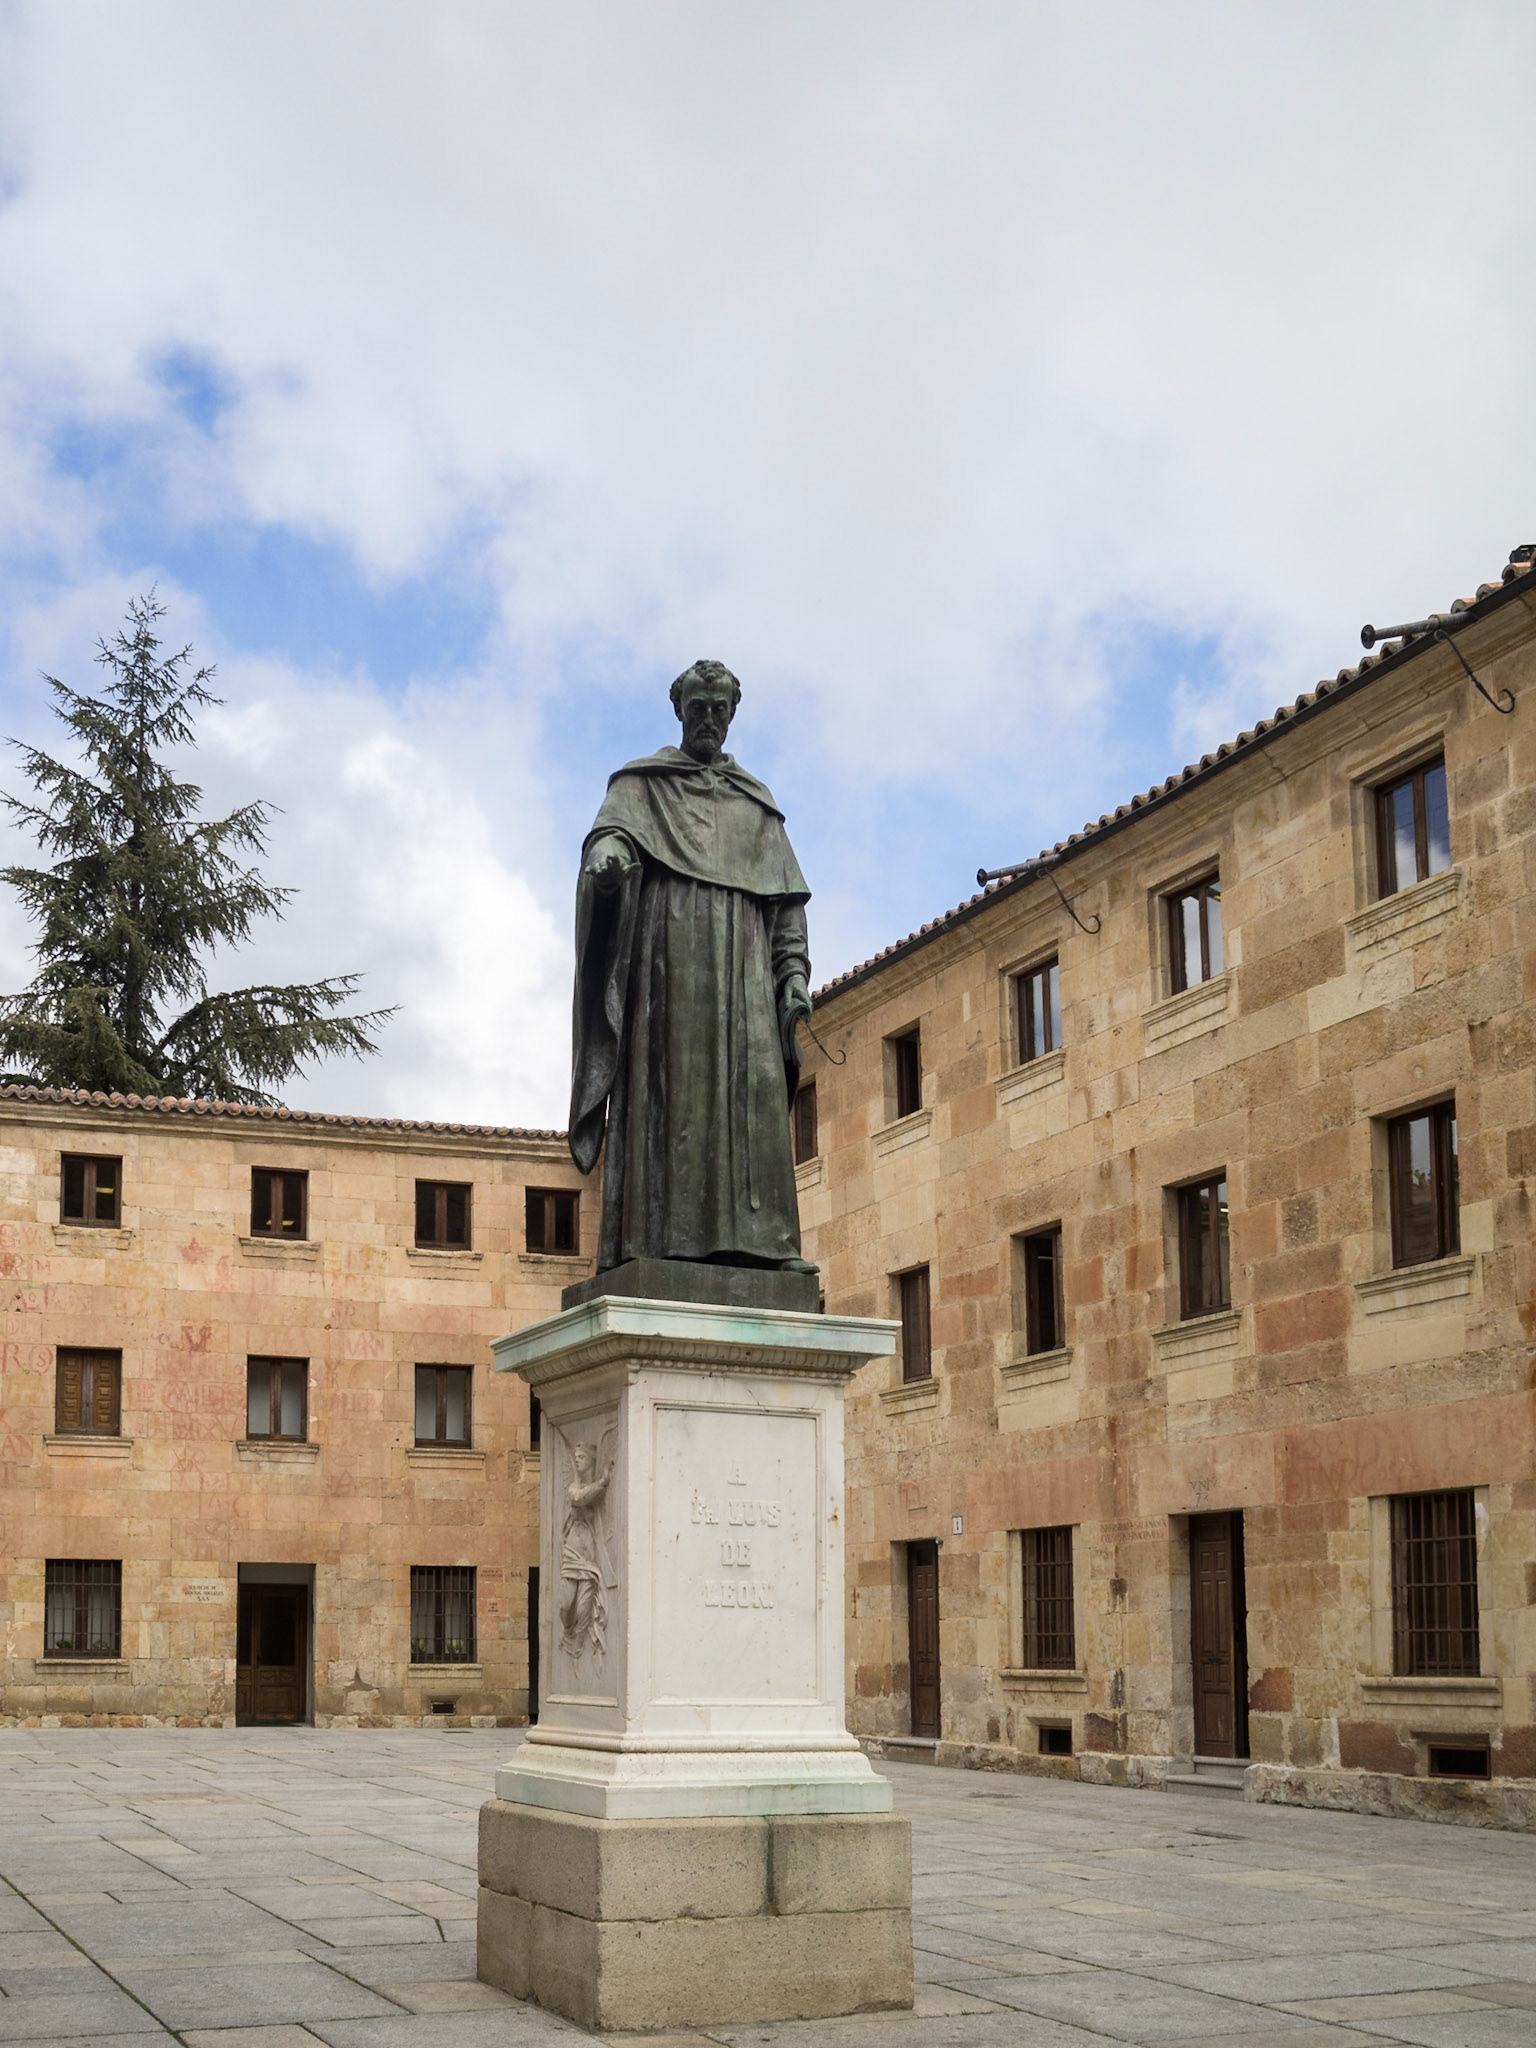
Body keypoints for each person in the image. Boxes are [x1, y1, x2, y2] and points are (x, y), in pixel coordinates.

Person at [569, 659, 816, 1274]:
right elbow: (610, 838)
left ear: (733, 714)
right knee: (670, 1100)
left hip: (745, 977)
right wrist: (605, 862)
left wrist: (793, 978)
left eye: (719, 708)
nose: (709, 718)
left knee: (754, 1096)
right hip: (669, 970)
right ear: (679, 708)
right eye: (698, 706)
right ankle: (652, 1244)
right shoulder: (642, 786)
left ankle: (769, 1246)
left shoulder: (756, 806)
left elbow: (785, 908)